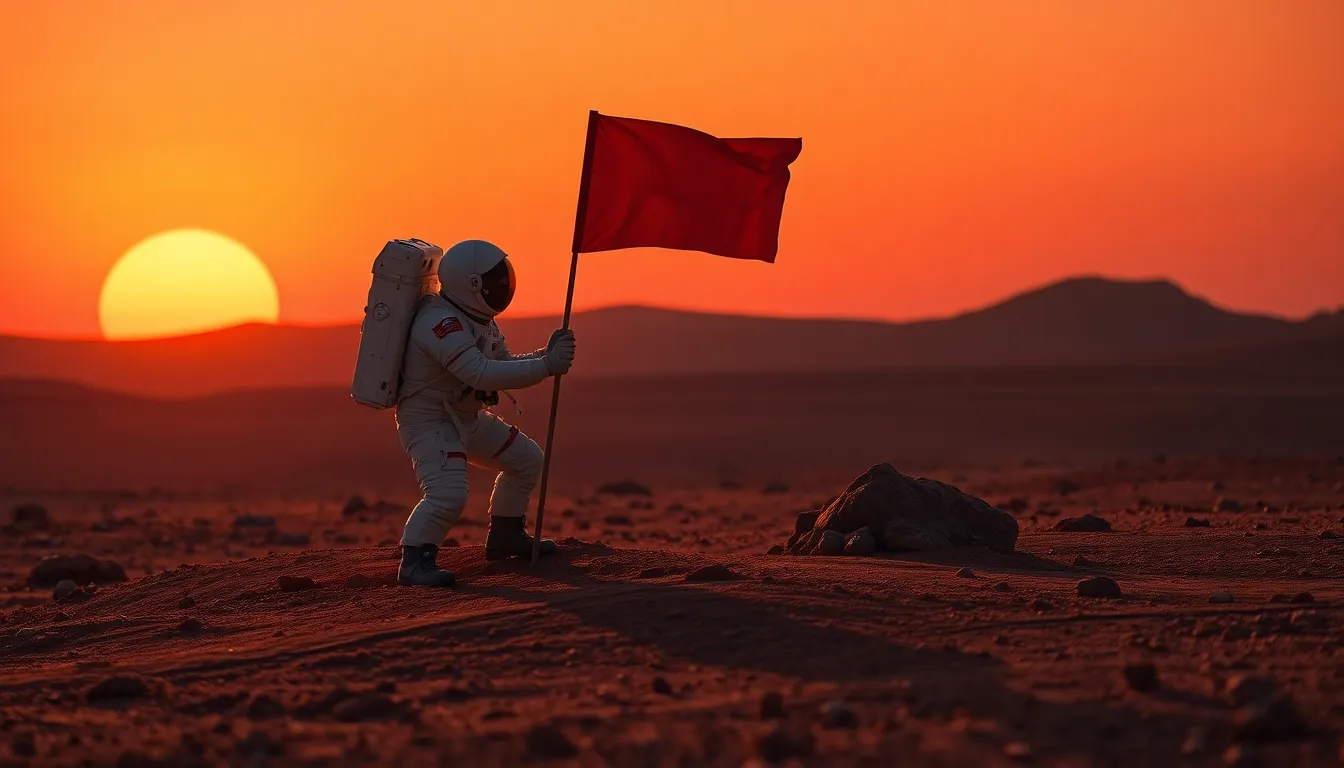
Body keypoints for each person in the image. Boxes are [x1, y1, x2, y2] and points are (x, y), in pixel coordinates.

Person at [394, 239, 576, 587]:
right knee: (447, 494)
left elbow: (501, 364)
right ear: (473, 284)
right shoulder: (440, 323)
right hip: (430, 421)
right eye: (496, 281)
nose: (503, 287)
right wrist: (546, 366)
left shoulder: (476, 319)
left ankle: (506, 534)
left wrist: (544, 355)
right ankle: (415, 561)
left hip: (465, 417)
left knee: (526, 460)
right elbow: (479, 373)